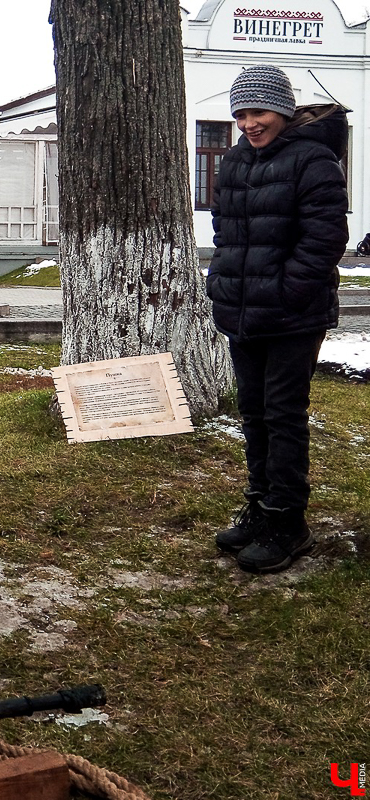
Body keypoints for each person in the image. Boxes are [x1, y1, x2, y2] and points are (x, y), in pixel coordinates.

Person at [208, 65, 348, 574]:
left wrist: (287, 294)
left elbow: (325, 241)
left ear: (283, 112)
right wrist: (223, 280)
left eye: (258, 112)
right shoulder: (236, 161)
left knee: (282, 414)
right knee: (254, 412)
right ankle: (260, 505)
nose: (249, 123)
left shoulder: (314, 161)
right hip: (242, 310)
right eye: (241, 114)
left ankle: (289, 521)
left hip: (293, 315)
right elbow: (227, 233)